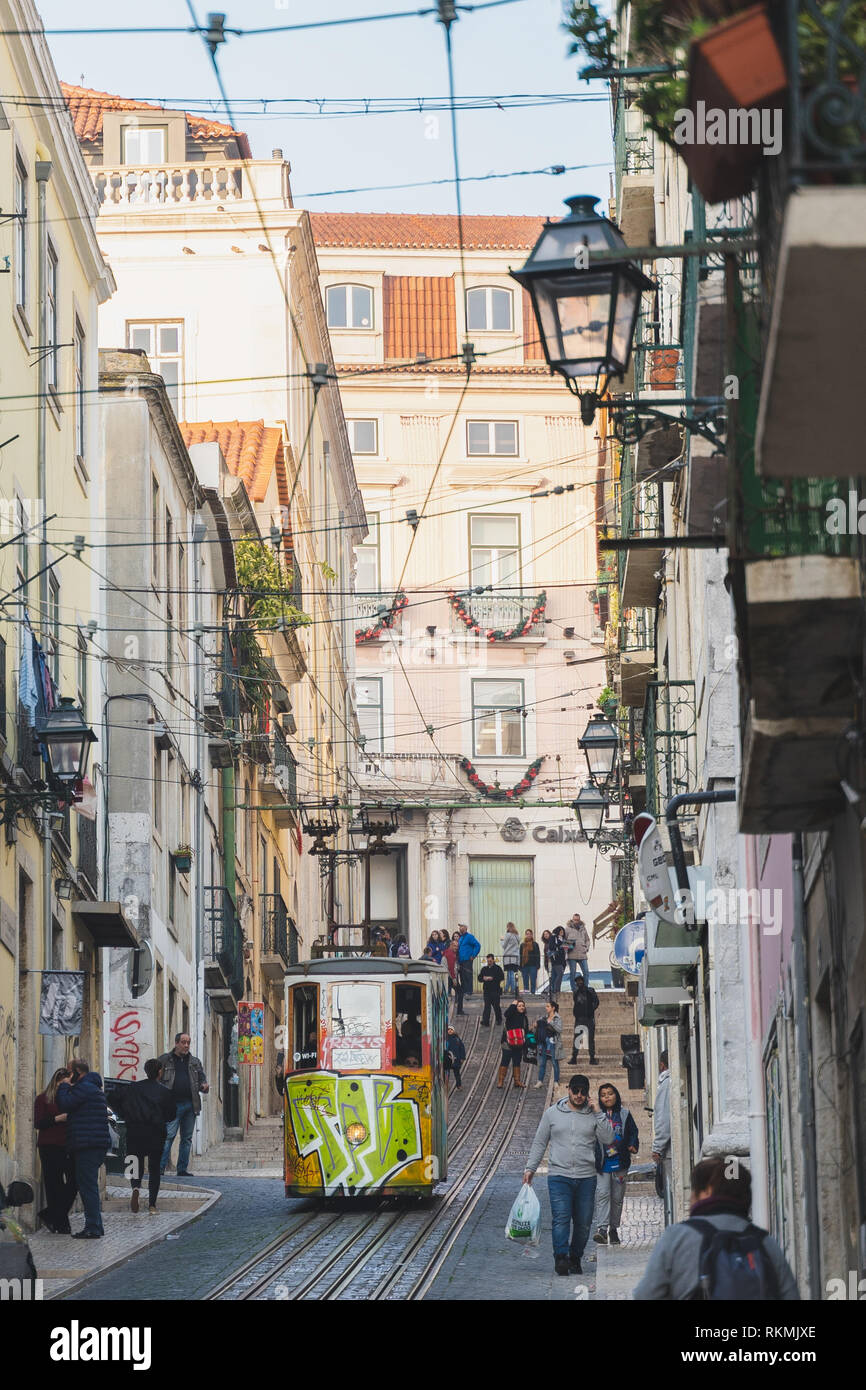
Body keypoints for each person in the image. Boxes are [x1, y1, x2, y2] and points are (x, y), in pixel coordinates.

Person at [633, 1157, 799, 1300]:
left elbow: (646, 1294)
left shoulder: (677, 1237)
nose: (690, 1197)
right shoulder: (765, 1242)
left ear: (707, 1192)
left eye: (694, 1190)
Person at [524, 1074, 614, 1275]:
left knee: (583, 1223)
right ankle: (561, 1258)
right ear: (569, 1090)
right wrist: (530, 1168)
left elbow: (608, 1138)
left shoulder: (593, 1115)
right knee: (561, 1218)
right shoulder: (552, 1114)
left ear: (588, 1093)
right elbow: (540, 1141)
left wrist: (599, 1113)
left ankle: (575, 1257)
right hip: (559, 1176)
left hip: (586, 1177)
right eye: (576, 1091)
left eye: (583, 1092)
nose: (579, 1095)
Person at [57, 1059, 111, 1239]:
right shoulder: (92, 1087)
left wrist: (63, 1086)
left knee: (88, 1187)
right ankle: (96, 1225)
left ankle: (93, 1227)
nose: (67, 1076)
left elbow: (64, 1104)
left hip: (88, 1145)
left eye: (69, 1072)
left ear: (77, 1072)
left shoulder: (84, 1088)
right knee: (89, 1186)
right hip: (93, 1144)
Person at [119, 1058, 177, 1214]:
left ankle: (136, 1187)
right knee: (154, 1169)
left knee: (134, 1164)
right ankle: (152, 1205)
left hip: (135, 1131)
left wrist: (127, 1115)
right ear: (159, 1072)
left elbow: (116, 1100)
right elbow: (172, 1114)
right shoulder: (164, 1092)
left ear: (145, 1071)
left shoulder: (133, 1088)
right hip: (155, 1133)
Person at [592, 1082, 639, 1245]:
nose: (607, 1097)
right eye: (603, 1095)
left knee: (617, 1197)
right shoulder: (596, 1115)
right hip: (602, 1163)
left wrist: (632, 1144)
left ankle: (614, 1228)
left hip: (620, 1162)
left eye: (610, 1093)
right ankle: (602, 1229)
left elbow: (633, 1132)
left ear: (616, 1095)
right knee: (603, 1194)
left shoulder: (625, 1114)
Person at [157, 1032, 209, 1177]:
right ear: (176, 1043)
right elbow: (155, 1079)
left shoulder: (195, 1062)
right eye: (183, 1042)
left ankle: (182, 1169)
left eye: (188, 1043)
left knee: (186, 1138)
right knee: (168, 1136)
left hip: (190, 1104)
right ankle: (159, 1168)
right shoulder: (164, 1060)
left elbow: (201, 1080)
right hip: (171, 1105)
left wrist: (204, 1086)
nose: (186, 1045)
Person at [34, 1067, 77, 1234]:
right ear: (56, 1082)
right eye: (63, 1084)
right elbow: (39, 1123)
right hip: (49, 1145)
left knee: (75, 1180)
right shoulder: (43, 1099)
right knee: (54, 1185)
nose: (65, 1087)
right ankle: (61, 1224)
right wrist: (58, 1118)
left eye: (68, 1084)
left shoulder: (71, 1099)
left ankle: (50, 1214)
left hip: (69, 1145)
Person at [651, 1050, 672, 1211]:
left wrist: (657, 1148)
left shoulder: (666, 1083)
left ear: (662, 1065)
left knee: (671, 1191)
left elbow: (664, 1119)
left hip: (671, 1151)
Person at [498, 999, 529, 1088]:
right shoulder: (511, 1015)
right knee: (505, 1061)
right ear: (515, 1007)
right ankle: (501, 1081)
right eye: (519, 1006)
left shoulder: (524, 1017)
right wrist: (512, 1004)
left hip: (519, 1044)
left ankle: (517, 1081)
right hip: (507, 1043)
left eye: (523, 1006)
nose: (521, 1007)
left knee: (517, 1062)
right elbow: (506, 1014)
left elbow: (526, 1030)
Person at [569, 976, 599, 1065]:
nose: (579, 983)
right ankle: (574, 1057)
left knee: (590, 1039)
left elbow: (596, 1002)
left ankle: (592, 1058)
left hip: (589, 1018)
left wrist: (591, 1009)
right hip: (579, 1019)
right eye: (577, 982)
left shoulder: (590, 991)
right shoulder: (576, 992)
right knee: (577, 1039)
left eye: (580, 981)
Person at [534, 1000, 562, 1088]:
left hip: (553, 1043)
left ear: (553, 1008)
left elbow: (559, 1029)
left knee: (554, 1062)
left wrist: (550, 1023)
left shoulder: (557, 1018)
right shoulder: (544, 1017)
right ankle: (540, 1081)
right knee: (542, 1062)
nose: (546, 1008)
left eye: (548, 1006)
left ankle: (556, 1081)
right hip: (544, 1043)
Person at [564, 913, 591, 990]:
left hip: (582, 954)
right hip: (572, 954)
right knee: (573, 973)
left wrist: (587, 948)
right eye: (575, 920)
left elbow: (587, 940)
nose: (576, 921)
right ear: (572, 920)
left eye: (577, 920)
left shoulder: (583, 928)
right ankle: (574, 989)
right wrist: (567, 947)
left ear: (579, 920)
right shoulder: (567, 929)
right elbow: (564, 941)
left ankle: (585, 988)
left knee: (586, 972)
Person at [478, 953, 505, 1026]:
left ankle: (498, 1019)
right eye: (488, 961)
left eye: (490, 961)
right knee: (487, 1006)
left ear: (493, 960)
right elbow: (479, 978)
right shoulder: (484, 969)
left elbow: (502, 977)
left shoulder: (498, 968)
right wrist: (483, 978)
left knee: (496, 1006)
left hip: (495, 990)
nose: (489, 962)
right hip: (486, 990)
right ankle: (485, 1021)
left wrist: (492, 978)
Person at [456, 923, 481, 998]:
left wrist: (473, 955)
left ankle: (469, 991)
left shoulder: (470, 937)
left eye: (462, 926)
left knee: (468, 976)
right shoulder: (460, 938)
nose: (460, 928)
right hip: (461, 961)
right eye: (460, 927)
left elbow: (478, 945)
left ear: (466, 928)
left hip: (467, 960)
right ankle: (464, 991)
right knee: (462, 977)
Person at [500, 922, 520, 996]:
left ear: (508, 927)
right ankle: (506, 988)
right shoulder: (517, 935)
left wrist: (501, 940)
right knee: (510, 973)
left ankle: (513, 989)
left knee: (510, 974)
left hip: (508, 957)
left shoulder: (508, 935)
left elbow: (504, 946)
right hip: (515, 957)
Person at [547, 927, 567, 999]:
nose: (562, 933)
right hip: (556, 959)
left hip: (563, 960)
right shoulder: (554, 937)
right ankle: (556, 989)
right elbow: (551, 946)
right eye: (561, 931)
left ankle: (553, 989)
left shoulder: (564, 939)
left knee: (555, 975)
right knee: (560, 974)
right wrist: (560, 946)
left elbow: (566, 948)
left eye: (563, 931)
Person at [444, 1025, 466, 1090]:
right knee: (446, 1073)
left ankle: (459, 1085)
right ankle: (446, 1085)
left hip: (456, 1059)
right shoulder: (445, 1039)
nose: (450, 1031)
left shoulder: (457, 1039)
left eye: (451, 1030)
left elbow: (462, 1049)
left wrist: (462, 1057)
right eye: (448, 1029)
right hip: (448, 1059)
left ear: (454, 1031)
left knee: (457, 1073)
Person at [519, 930, 540, 994]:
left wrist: (538, 965)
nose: (528, 935)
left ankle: (533, 993)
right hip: (524, 965)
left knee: (533, 980)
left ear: (532, 935)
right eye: (527, 934)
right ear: (525, 935)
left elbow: (537, 955)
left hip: (533, 965)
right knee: (525, 981)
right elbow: (520, 955)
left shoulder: (535, 944)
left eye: (530, 934)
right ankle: (527, 994)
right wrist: (520, 966)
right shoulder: (522, 945)